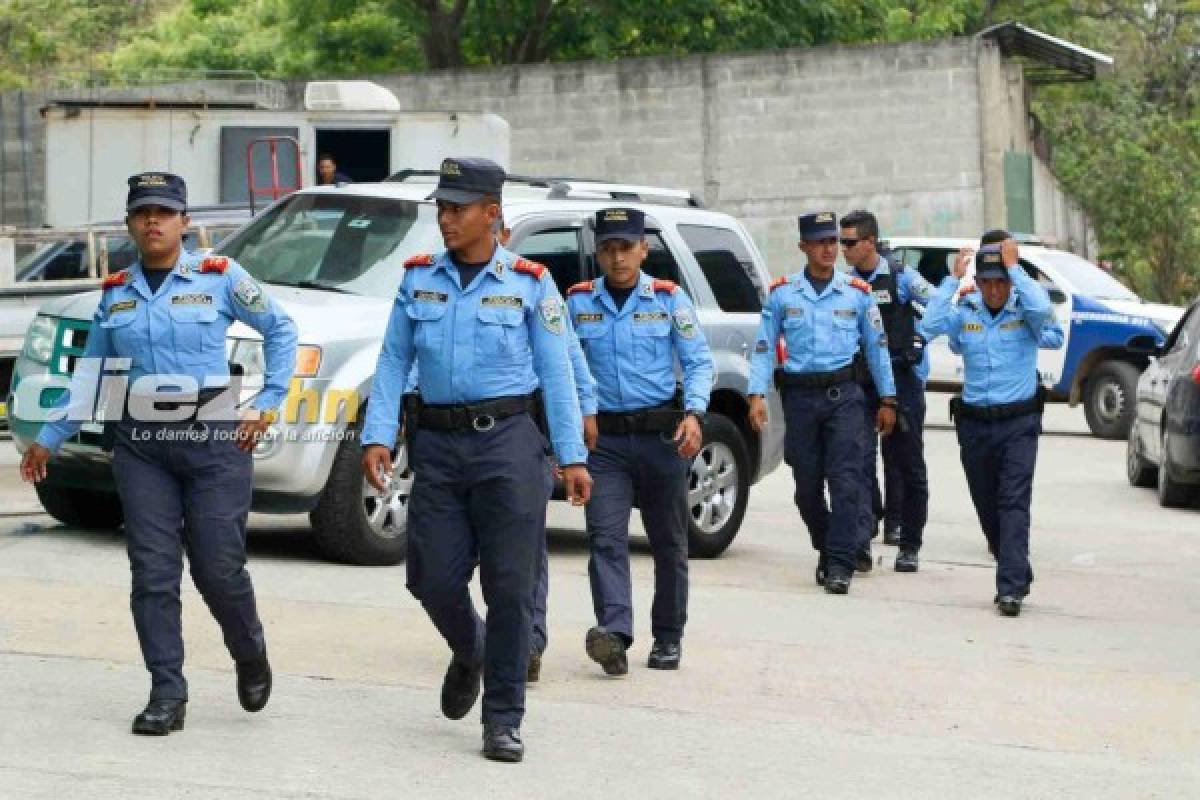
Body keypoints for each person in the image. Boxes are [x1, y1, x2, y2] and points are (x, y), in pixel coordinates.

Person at [18, 172, 298, 735]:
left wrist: (266, 403)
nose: (153, 220)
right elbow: (93, 376)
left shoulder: (220, 277)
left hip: (215, 441)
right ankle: (167, 691)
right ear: (129, 223)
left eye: (164, 212)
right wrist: (48, 438)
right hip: (143, 446)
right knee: (152, 573)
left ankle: (249, 649)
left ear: (184, 222)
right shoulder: (115, 293)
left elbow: (281, 328)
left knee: (218, 569)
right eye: (143, 211)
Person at [361, 157, 591, 763]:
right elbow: (391, 362)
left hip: (509, 444)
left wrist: (572, 456)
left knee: (511, 588)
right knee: (429, 576)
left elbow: (556, 373)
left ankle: (504, 717)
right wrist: (377, 434)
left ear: (493, 214)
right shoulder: (418, 280)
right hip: (437, 445)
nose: (446, 218)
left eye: (458, 208)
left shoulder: (531, 283)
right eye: (441, 207)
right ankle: (471, 650)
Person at [565, 208, 713, 675]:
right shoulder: (578, 303)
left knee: (669, 544)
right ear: (598, 252)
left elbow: (699, 362)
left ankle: (668, 636)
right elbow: (564, 368)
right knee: (605, 538)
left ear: (643, 250)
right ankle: (614, 634)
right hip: (604, 443)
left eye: (625, 247)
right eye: (608, 248)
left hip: (661, 440)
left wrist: (694, 414)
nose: (617, 257)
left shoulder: (669, 300)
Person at [748, 212, 896, 595]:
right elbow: (764, 347)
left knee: (847, 482)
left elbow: (878, 350)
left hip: (845, 398)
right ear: (804, 247)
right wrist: (755, 394)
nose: (830, 249)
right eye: (821, 242)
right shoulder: (783, 294)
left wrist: (888, 398)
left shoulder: (856, 294)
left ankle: (841, 564)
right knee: (807, 487)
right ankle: (830, 547)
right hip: (800, 400)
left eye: (834, 241)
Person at [921, 232, 1063, 616]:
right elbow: (928, 326)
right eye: (989, 282)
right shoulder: (965, 311)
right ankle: (1016, 567)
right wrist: (953, 280)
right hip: (975, 425)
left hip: (1018, 422)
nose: (996, 289)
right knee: (988, 508)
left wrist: (1017, 270)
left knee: (1012, 502)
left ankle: (1010, 589)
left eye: (1002, 281)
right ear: (979, 283)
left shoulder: (1025, 311)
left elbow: (1051, 327)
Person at [840, 210, 934, 573]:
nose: (843, 249)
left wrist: (920, 338)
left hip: (902, 379)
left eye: (849, 242)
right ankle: (861, 540)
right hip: (862, 382)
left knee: (907, 464)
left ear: (869, 241)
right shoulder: (846, 285)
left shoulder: (901, 278)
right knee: (857, 462)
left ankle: (909, 542)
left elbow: (940, 303)